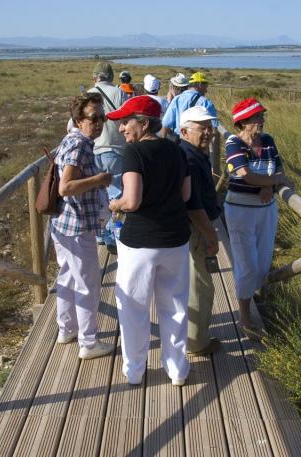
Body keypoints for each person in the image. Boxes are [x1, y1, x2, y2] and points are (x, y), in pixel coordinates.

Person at [107, 96, 192, 386]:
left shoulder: (134, 153)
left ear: (143, 123)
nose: (121, 129)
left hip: (141, 243)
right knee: (176, 308)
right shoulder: (178, 151)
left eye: (125, 122)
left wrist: (115, 204)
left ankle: (135, 371)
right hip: (176, 240)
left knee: (133, 308)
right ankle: (177, 370)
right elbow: (185, 196)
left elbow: (132, 200)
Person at [50, 92, 115, 359]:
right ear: (78, 120)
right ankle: (88, 343)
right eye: (93, 118)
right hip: (77, 225)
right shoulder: (80, 145)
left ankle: (66, 329)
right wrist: (100, 179)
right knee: (88, 284)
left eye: (102, 117)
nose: (99, 123)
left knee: (66, 275)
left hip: (62, 222)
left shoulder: (71, 139)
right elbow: (66, 187)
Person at [223, 98, 292, 334]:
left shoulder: (269, 141)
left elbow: (280, 168)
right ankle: (245, 319)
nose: (262, 121)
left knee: (263, 263)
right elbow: (245, 175)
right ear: (242, 122)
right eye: (256, 117)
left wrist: (269, 185)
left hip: (266, 210)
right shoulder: (234, 143)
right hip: (241, 211)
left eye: (262, 116)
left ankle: (259, 300)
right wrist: (272, 182)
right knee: (246, 265)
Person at [178, 106, 222, 356]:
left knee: (193, 283)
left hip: (187, 230)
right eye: (201, 128)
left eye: (210, 127)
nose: (208, 132)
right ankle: (196, 343)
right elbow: (194, 207)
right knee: (199, 286)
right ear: (184, 130)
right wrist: (212, 235)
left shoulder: (190, 152)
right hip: (194, 230)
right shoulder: (191, 159)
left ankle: (191, 336)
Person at [88, 61, 129, 255]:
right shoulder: (119, 93)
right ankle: (115, 233)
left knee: (97, 192)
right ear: (111, 76)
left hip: (93, 148)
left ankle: (100, 234)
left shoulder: (87, 94)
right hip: (116, 148)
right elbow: (127, 117)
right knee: (116, 192)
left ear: (95, 76)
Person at [162, 71, 219, 138]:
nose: (206, 90)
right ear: (200, 84)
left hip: (178, 142)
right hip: (197, 141)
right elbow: (214, 129)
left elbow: (165, 124)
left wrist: (162, 144)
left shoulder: (177, 99)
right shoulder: (206, 103)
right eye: (205, 87)